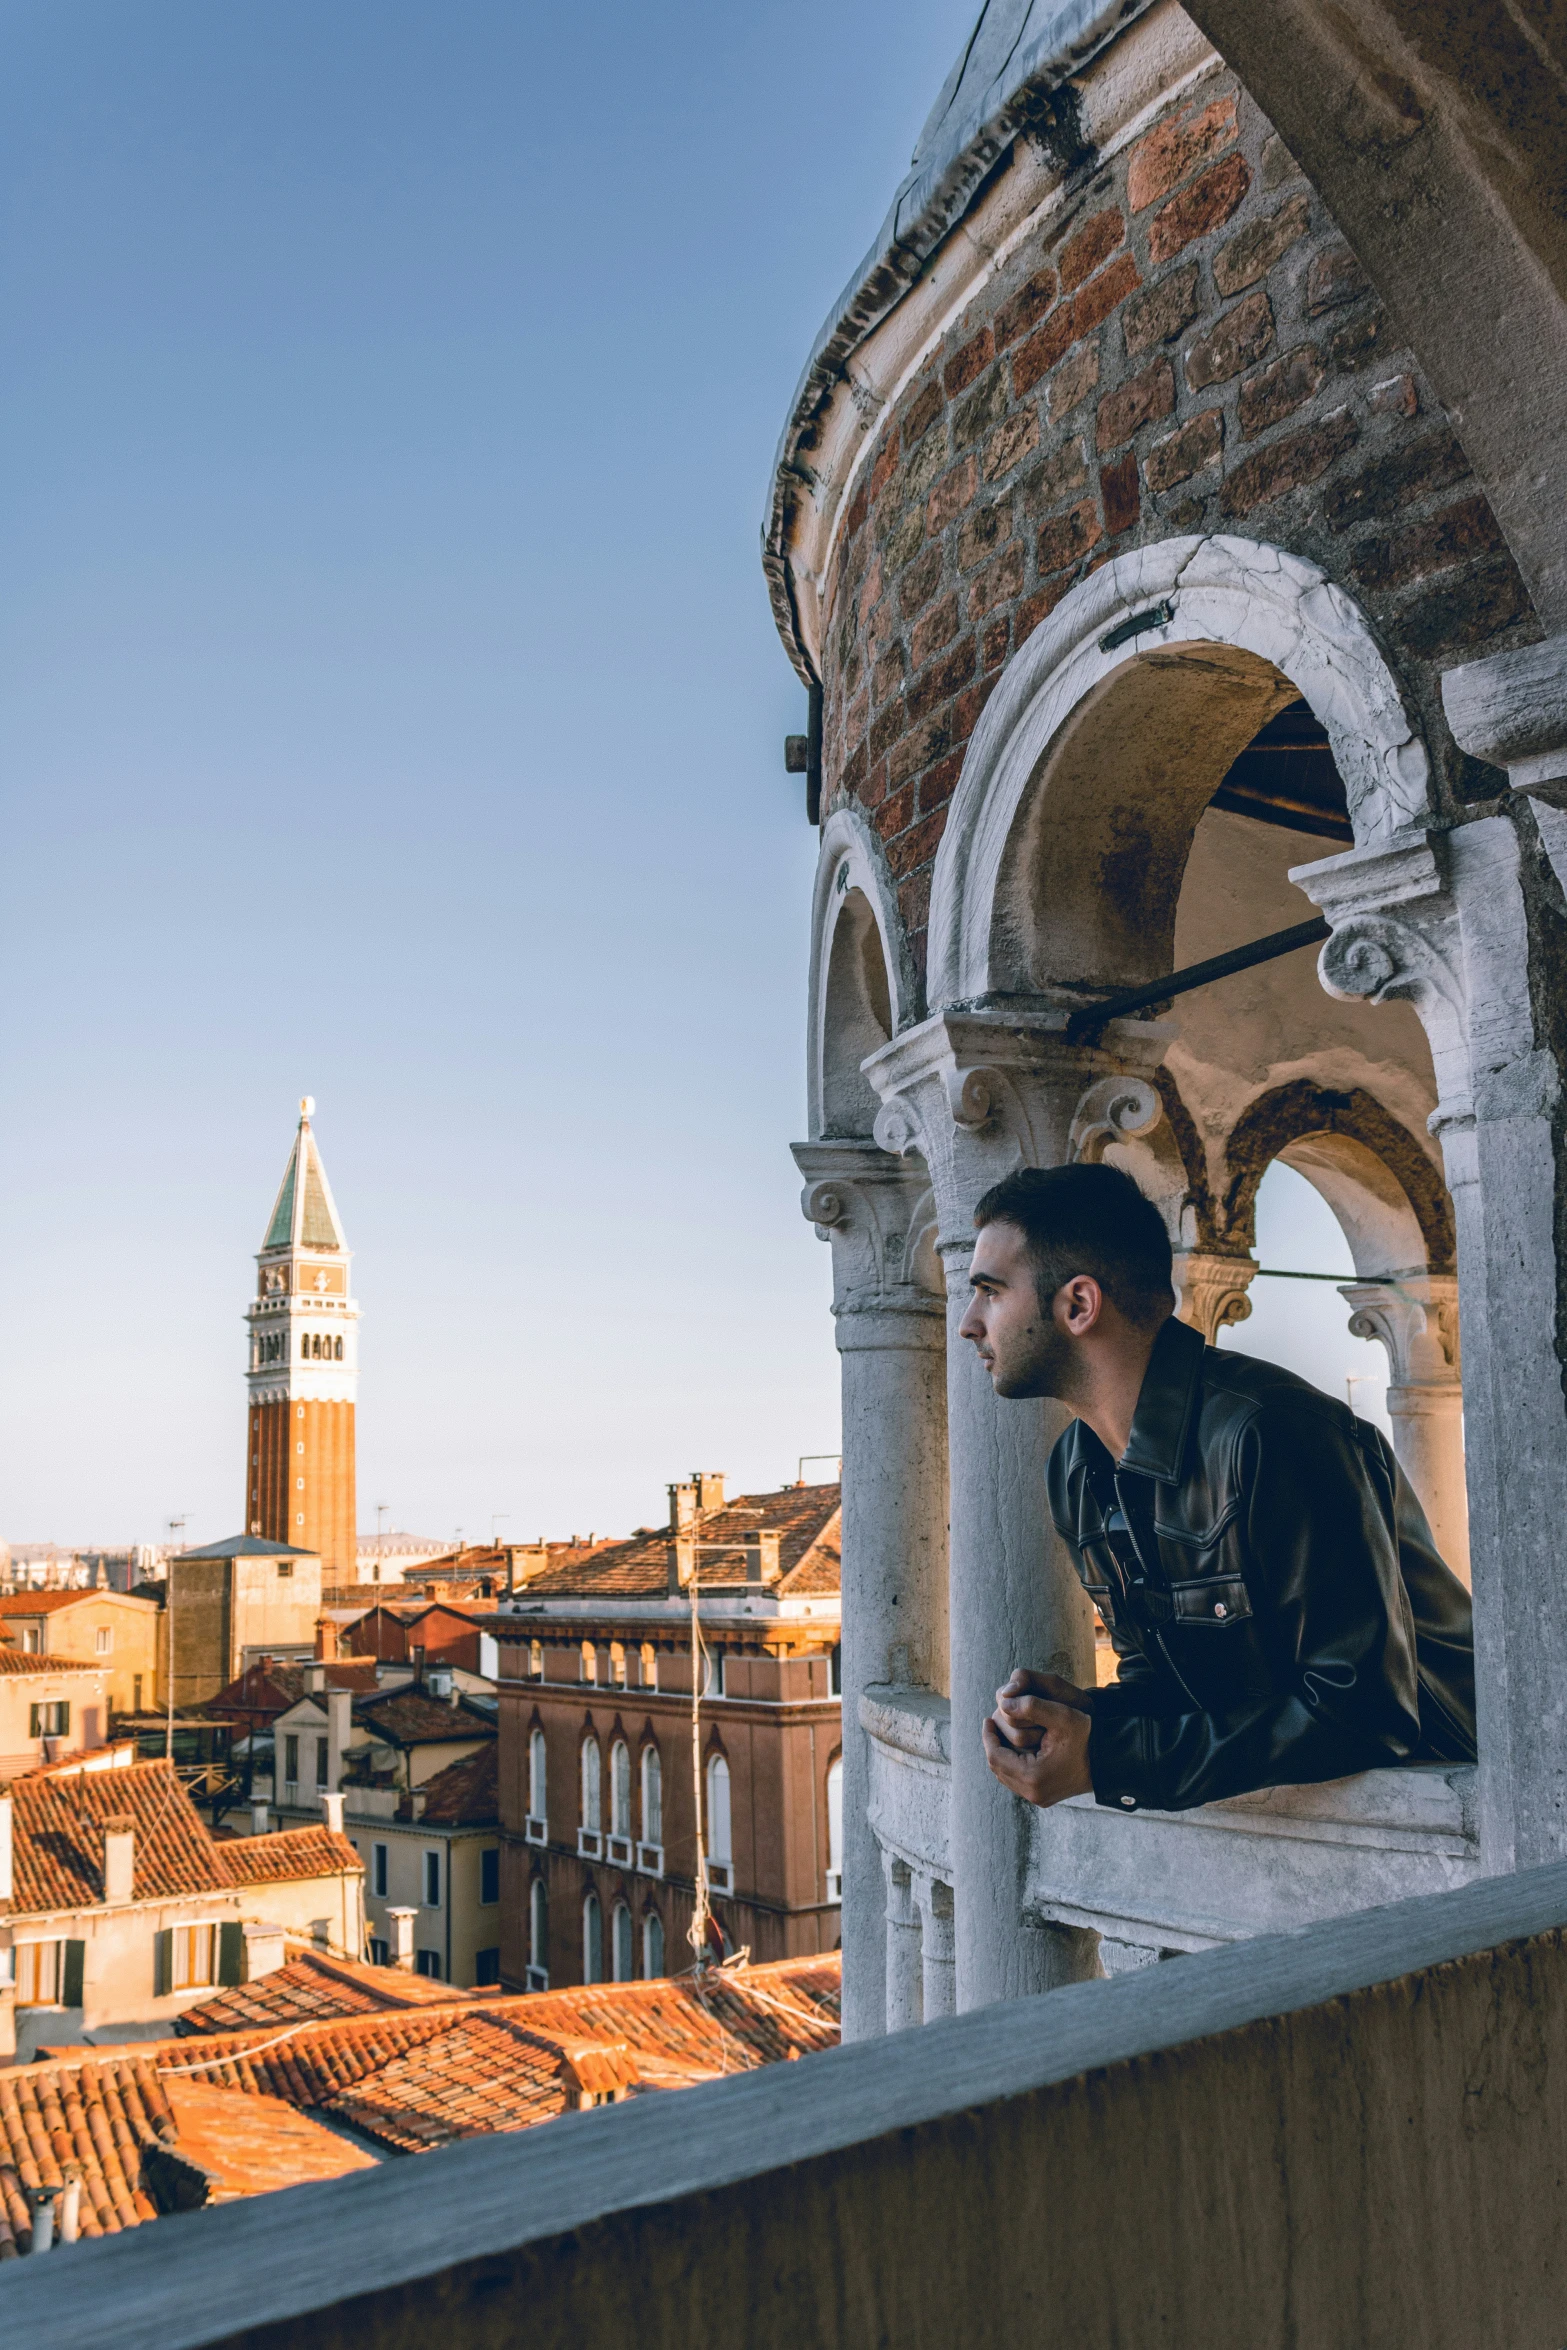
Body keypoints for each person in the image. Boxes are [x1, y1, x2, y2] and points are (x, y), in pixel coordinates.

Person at [958, 1161, 1476, 1816]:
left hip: (1466, 1811)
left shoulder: (1274, 1433)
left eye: (990, 1291)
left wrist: (1110, 1759)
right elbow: (1179, 1683)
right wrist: (1089, 1718)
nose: (968, 1323)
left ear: (1078, 1305)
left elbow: (1364, 1712)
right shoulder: (1077, 1468)